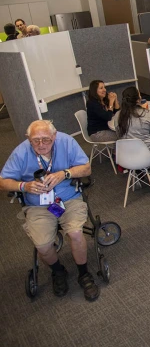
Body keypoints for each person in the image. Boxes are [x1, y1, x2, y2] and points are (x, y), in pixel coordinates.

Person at [0, 120, 100, 301]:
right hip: (38, 205)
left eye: (46, 139)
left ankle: (84, 274)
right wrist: (24, 185)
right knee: (42, 246)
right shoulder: (22, 151)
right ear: (28, 139)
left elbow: (86, 168)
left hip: (68, 199)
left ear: (54, 136)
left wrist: (65, 173)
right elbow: (3, 181)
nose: (41, 145)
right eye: (35, 140)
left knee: (76, 234)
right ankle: (58, 271)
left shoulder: (66, 142)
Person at [113, 87, 150, 178]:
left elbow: (119, 136)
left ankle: (138, 172)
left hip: (127, 155)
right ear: (138, 100)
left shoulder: (118, 115)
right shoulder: (147, 113)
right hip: (146, 154)